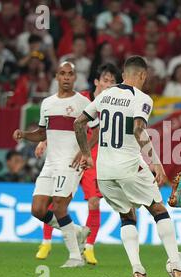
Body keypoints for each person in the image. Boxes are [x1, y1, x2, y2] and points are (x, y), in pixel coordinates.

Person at [74, 56, 181, 277]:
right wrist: (155, 162)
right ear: (143, 76)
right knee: (158, 210)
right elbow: (139, 129)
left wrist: (87, 155)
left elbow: (79, 123)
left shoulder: (105, 95)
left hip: (105, 171)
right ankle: (177, 267)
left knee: (127, 216)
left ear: (123, 75)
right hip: (129, 165)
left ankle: (138, 270)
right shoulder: (142, 99)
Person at [35, 63, 122, 264]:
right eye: (105, 80)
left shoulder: (115, 105)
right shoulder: (80, 99)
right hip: (68, 156)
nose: (108, 84)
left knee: (93, 201)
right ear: (96, 82)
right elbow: (55, 122)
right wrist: (43, 140)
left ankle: (88, 248)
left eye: (112, 82)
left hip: (96, 157)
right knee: (53, 201)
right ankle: (46, 241)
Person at [12, 61, 91, 268]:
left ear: (75, 78)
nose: (66, 77)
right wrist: (24, 134)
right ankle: (76, 231)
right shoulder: (47, 103)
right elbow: (41, 133)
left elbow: (97, 130)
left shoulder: (82, 103)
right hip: (50, 163)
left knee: (58, 205)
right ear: (56, 76)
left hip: (70, 163)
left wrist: (84, 152)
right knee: (37, 210)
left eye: (70, 74)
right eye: (62, 73)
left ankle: (75, 257)